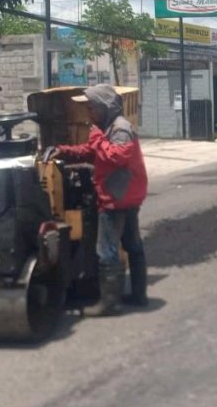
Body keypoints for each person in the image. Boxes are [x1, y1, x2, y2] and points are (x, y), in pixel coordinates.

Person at [48, 84, 148, 316]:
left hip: (116, 196)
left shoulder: (120, 128)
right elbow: (94, 152)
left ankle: (109, 304)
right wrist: (65, 150)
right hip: (127, 194)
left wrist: (95, 137)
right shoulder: (110, 127)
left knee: (107, 249)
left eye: (92, 107)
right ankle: (139, 295)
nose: (89, 112)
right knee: (133, 245)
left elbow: (116, 156)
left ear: (105, 107)